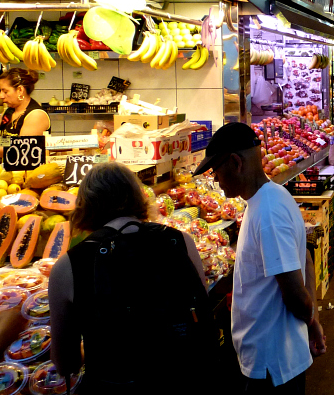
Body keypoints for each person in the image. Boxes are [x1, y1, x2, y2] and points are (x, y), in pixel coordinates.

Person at [48, 162, 216, 394]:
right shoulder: (181, 241)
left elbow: (66, 363)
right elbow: (202, 308)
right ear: (138, 196)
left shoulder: (67, 266)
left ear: (85, 206)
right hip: (181, 379)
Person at [195, 122, 326, 391]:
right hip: (275, 357)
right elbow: (306, 259)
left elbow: (294, 293)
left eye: (216, 170)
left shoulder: (267, 212)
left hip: (271, 363)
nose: (216, 179)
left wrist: (310, 318)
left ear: (235, 162)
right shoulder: (273, 197)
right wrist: (313, 321)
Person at [0, 68, 49, 139]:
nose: (1, 96)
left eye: (5, 92)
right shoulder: (9, 111)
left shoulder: (36, 115)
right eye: (0, 91)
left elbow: (21, 147)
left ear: (20, 90)